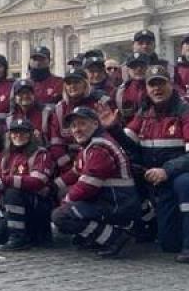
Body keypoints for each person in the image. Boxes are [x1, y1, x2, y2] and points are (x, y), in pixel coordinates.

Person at [102, 65, 189, 263]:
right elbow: (131, 145)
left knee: (186, 183)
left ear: (171, 85)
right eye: (152, 85)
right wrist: (113, 129)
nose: (157, 89)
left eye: (161, 83)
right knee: (169, 244)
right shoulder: (144, 114)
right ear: (147, 88)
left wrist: (166, 170)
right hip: (163, 179)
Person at [51, 107, 141, 258]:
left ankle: (114, 238)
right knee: (61, 195)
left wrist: (65, 203)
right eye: (73, 126)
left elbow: (88, 186)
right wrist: (52, 186)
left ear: (95, 123)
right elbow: (75, 172)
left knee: (60, 216)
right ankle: (96, 236)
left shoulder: (100, 147)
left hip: (117, 204)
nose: (77, 130)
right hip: (111, 200)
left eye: (82, 124)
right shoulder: (90, 145)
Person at [0, 117, 53, 251]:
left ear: (31, 135)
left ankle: (18, 238)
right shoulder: (7, 156)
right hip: (13, 204)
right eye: (14, 132)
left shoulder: (41, 154)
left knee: (12, 191)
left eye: (23, 132)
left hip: (36, 203)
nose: (18, 135)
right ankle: (26, 233)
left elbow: (38, 182)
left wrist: (7, 180)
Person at [9, 78, 52, 145]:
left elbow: (52, 140)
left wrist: (40, 139)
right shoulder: (10, 118)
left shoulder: (46, 115)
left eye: (28, 92)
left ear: (34, 95)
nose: (25, 96)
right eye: (20, 93)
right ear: (14, 97)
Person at [114, 52, 150, 124]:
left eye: (142, 66)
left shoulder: (158, 86)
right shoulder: (121, 91)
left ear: (148, 67)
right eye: (134, 66)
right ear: (128, 70)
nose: (138, 69)